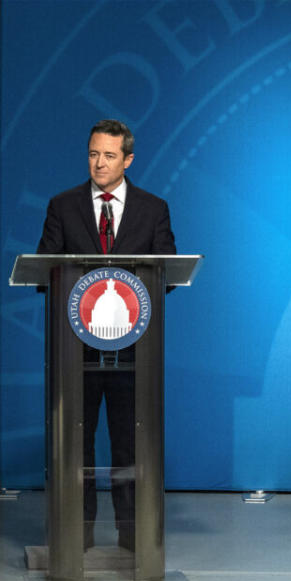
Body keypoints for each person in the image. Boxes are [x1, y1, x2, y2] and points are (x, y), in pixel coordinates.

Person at [37, 119, 177, 551]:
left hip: (134, 349)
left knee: (128, 442)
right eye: (94, 154)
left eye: (109, 156)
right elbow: (44, 269)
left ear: (128, 160)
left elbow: (168, 272)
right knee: (77, 444)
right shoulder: (63, 205)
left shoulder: (154, 209)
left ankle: (132, 534)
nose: (99, 163)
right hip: (74, 348)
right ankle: (78, 535)